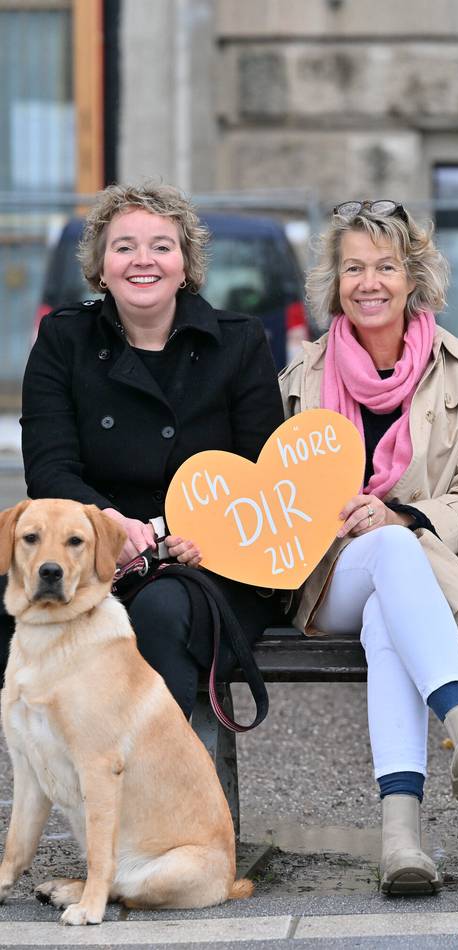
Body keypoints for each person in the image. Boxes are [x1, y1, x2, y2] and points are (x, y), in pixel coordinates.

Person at [279, 199, 458, 896]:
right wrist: (339, 518)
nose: (369, 282)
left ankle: (400, 839)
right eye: (353, 267)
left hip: (428, 578)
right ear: (335, 280)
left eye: (385, 266)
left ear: (413, 277)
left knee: (394, 595)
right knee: (389, 555)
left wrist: (401, 514)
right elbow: (276, 500)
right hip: (329, 577)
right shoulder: (301, 377)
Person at [2, 182, 286, 717]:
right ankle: (55, 773)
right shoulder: (64, 341)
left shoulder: (239, 341)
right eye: (124, 246)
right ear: (101, 267)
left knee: (158, 611)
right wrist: (108, 525)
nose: (143, 261)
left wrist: (202, 534)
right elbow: (49, 467)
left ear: (185, 264)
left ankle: (163, 787)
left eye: (161, 245)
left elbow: (261, 478)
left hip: (211, 561)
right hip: (92, 552)